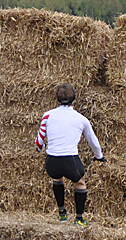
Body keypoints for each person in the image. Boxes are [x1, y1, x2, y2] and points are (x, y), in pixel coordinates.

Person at [34, 83, 106, 227]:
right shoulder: (81, 119)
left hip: (52, 162)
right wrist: (99, 156)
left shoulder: (47, 115)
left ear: (57, 98)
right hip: (70, 161)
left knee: (57, 178)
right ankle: (79, 218)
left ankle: (62, 213)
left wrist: (40, 149)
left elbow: (39, 141)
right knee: (80, 183)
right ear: (74, 98)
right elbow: (93, 142)